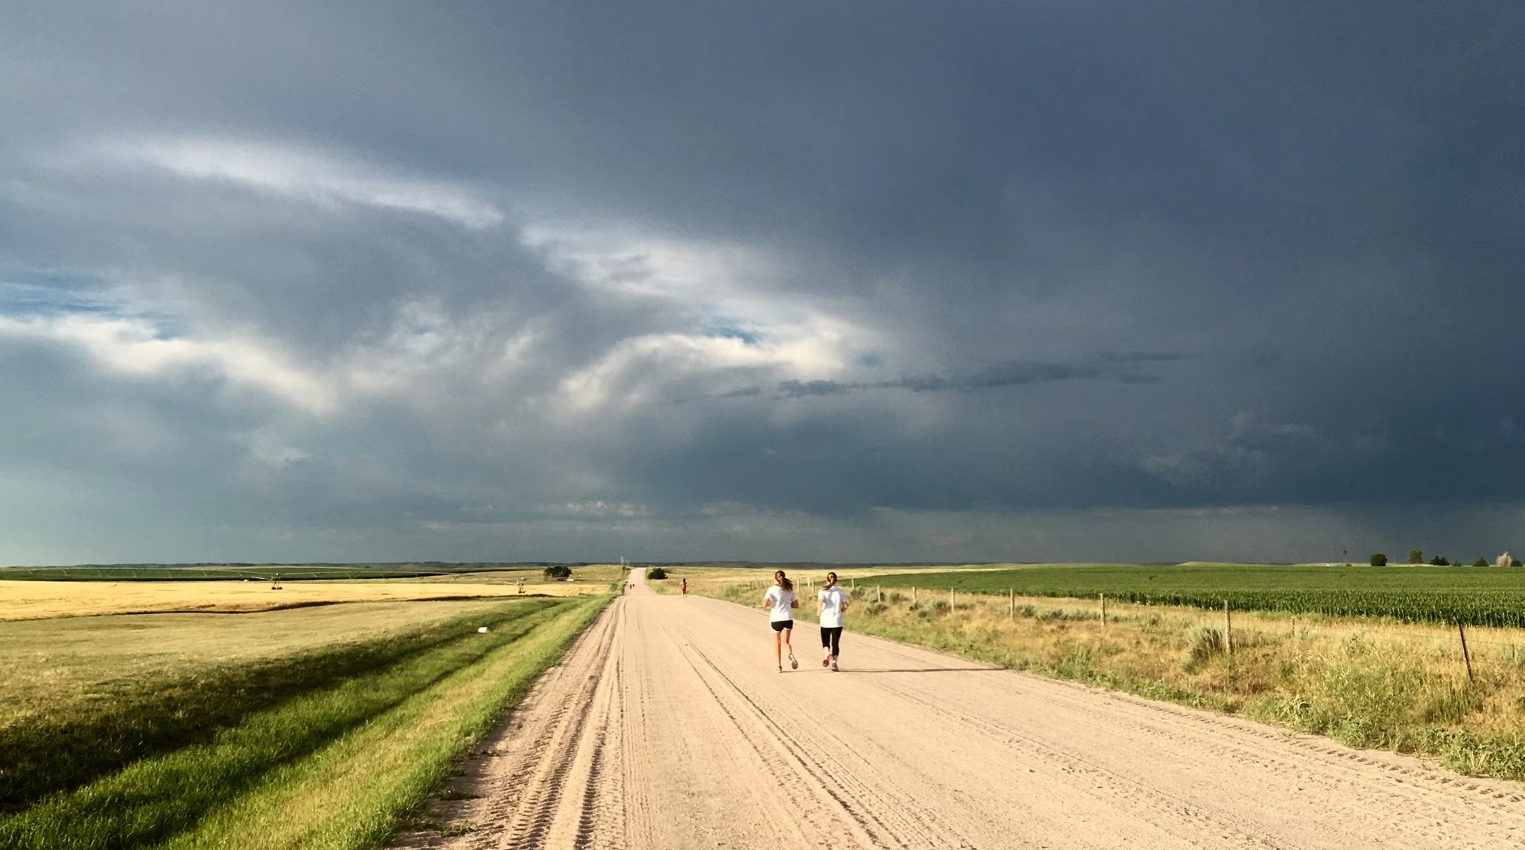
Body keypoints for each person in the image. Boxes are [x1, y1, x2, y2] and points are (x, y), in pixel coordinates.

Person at [761, 570, 799, 672]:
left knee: (776, 643)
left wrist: (771, 603)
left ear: (775, 578)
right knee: (785, 642)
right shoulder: (789, 590)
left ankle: (778, 666)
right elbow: (796, 605)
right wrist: (787, 603)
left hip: (776, 619)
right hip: (787, 618)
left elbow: (764, 604)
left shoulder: (772, 589)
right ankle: (789, 654)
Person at [818, 572, 848, 671]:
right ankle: (834, 663)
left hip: (825, 620)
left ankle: (827, 654)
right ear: (836, 580)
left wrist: (819, 611)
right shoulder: (840, 592)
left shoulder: (822, 591)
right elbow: (845, 605)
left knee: (825, 641)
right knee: (835, 643)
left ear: (827, 579)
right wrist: (841, 611)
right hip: (837, 620)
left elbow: (820, 602)